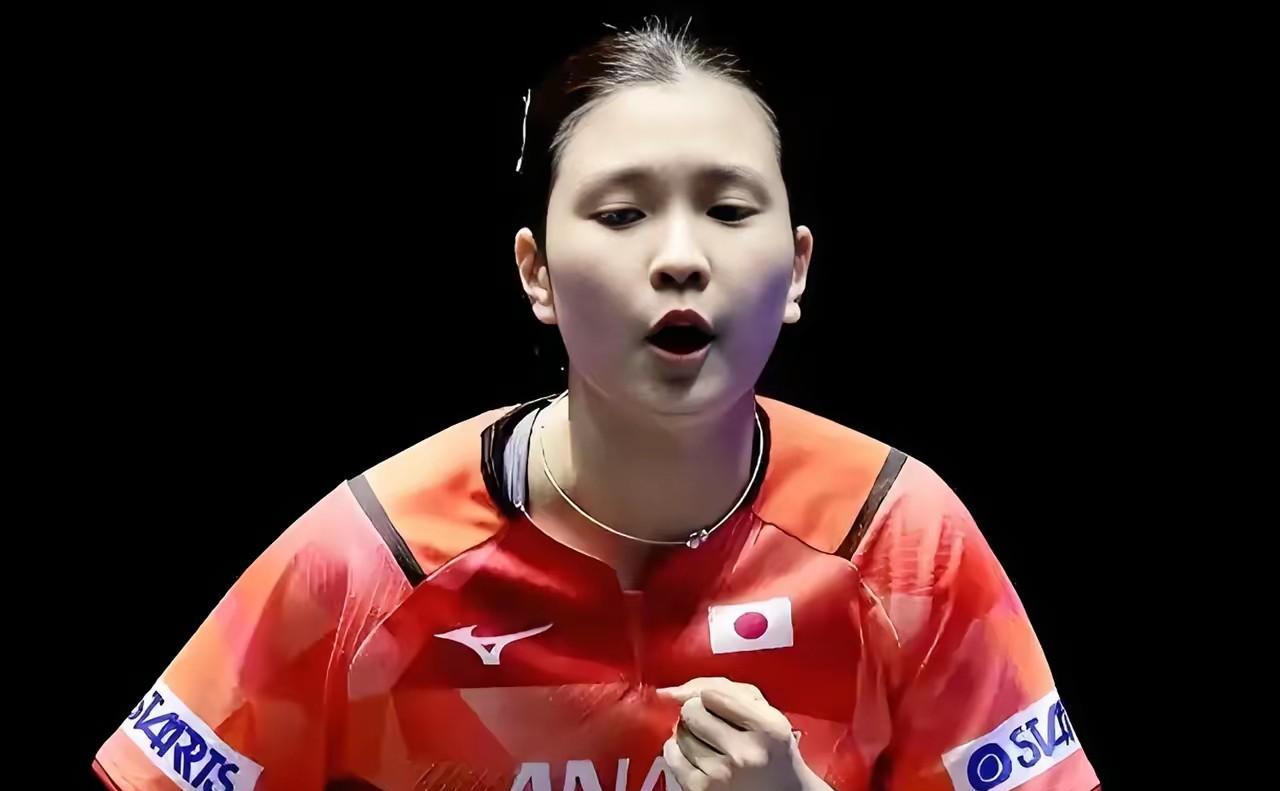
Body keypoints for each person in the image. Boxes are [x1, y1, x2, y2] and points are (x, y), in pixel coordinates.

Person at [93, 17, 1100, 791]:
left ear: (796, 269)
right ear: (535, 272)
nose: (679, 257)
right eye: (621, 214)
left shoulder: (901, 543)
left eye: (728, 208)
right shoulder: (371, 558)